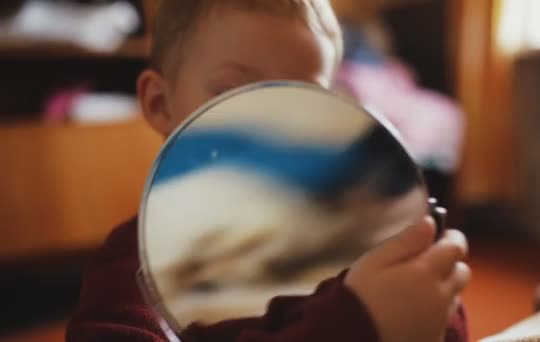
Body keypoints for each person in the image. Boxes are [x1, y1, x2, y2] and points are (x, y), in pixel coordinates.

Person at [66, 1, 471, 341]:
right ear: (159, 104)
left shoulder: (347, 238)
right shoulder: (133, 269)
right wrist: (355, 322)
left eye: (303, 99)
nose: (274, 124)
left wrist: (430, 298)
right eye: (233, 93)